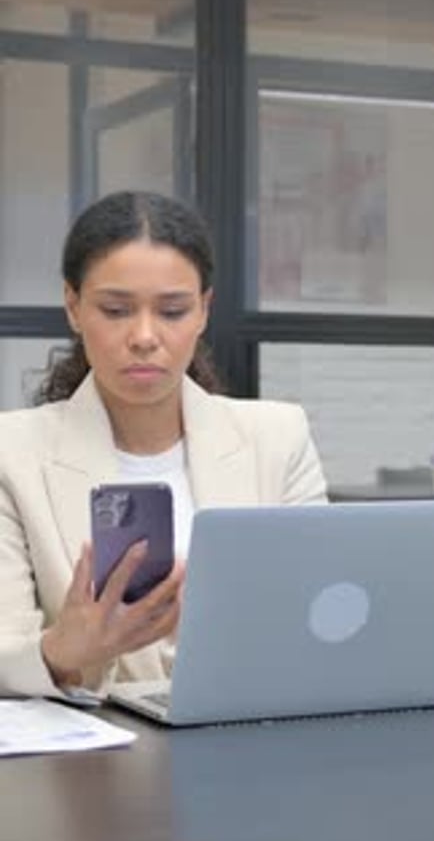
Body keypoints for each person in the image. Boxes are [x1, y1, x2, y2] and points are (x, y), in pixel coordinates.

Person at [0, 190, 327, 700]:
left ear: (203, 311)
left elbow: (316, 614)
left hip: (252, 742)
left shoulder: (277, 438)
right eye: (115, 310)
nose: (145, 336)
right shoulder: (12, 454)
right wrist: (62, 652)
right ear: (73, 306)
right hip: (93, 764)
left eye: (173, 311)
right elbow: (4, 652)